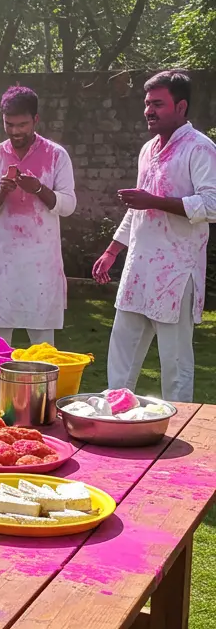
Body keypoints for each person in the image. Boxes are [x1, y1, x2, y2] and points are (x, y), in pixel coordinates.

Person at [93, 70, 216, 402]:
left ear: (181, 106)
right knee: (122, 351)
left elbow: (212, 205)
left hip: (177, 270)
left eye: (158, 104)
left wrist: (155, 202)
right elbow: (138, 207)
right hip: (139, 266)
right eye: (147, 104)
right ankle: (116, 416)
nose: (149, 110)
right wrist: (113, 250)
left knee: (174, 362)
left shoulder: (200, 148)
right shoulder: (148, 149)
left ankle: (180, 425)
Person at [0, 85, 76, 346]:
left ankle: (40, 378)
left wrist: (39, 189)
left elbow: (69, 205)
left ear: (35, 120)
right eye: (9, 124)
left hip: (42, 265)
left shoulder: (56, 155)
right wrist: (1, 193)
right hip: (3, 263)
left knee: (42, 350)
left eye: (22, 125)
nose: (15, 131)